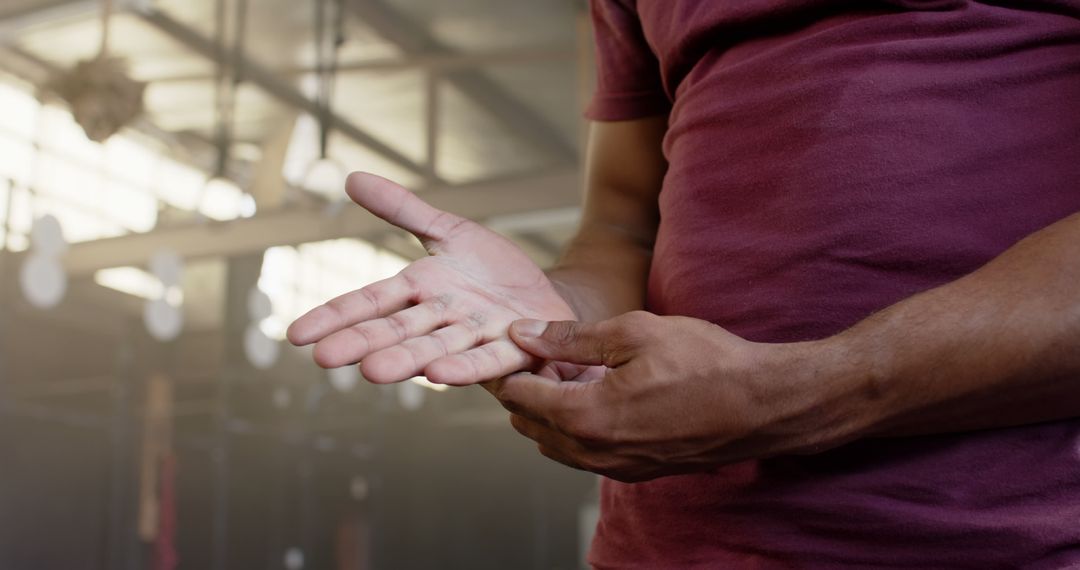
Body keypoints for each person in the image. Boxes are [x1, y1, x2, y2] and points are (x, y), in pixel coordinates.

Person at [287, 0, 1080, 567]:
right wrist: (554, 314)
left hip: (1004, 538)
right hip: (667, 547)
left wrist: (801, 393)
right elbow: (623, 225)